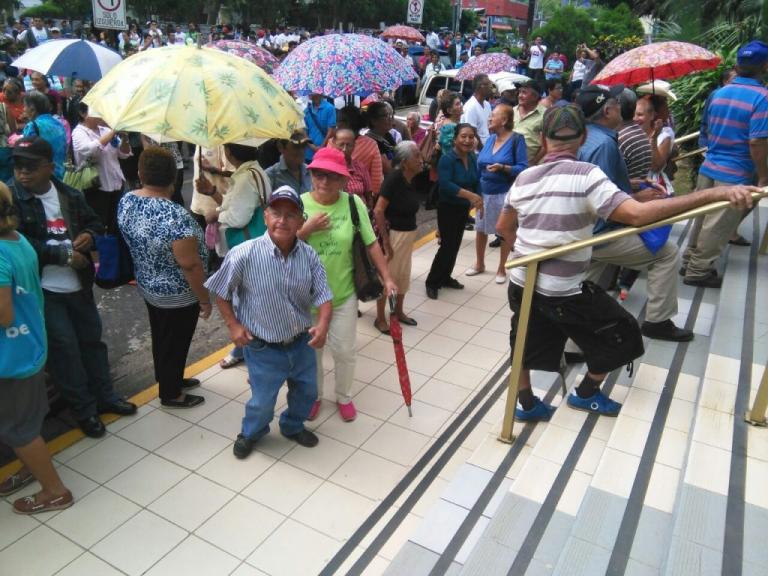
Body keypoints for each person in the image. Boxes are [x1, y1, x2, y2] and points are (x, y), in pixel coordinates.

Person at [497, 104, 756, 421]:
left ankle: (526, 404)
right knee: (623, 332)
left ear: (542, 137)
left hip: (522, 280)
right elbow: (635, 215)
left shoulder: (525, 177)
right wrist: (714, 195)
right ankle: (587, 394)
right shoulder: (587, 175)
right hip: (562, 290)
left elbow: (503, 228)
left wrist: (527, 251)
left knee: (522, 335)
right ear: (582, 138)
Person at [11, 137, 137, 436]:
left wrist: (90, 237)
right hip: (43, 290)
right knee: (64, 350)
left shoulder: (68, 193)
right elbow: (18, 243)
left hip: (78, 286)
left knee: (92, 341)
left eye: (30, 166)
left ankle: (105, 397)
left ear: (49, 167)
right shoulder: (13, 201)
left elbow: (94, 222)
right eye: (17, 165)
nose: (22, 173)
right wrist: (66, 255)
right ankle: (84, 410)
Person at [205, 186, 332, 457]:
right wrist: (233, 326)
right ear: (265, 216)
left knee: (307, 392)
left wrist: (322, 324)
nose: (282, 220)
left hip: (301, 344)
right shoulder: (244, 254)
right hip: (263, 348)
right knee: (262, 401)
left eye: (290, 215)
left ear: (300, 220)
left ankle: (292, 425)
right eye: (276, 213)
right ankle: (251, 432)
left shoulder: (308, 256)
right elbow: (220, 291)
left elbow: (323, 294)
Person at [575, 85, 692, 342]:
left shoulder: (586, 136)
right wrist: (635, 198)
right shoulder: (605, 144)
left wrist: (631, 184)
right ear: (607, 110)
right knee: (667, 253)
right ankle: (658, 320)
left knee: (587, 282)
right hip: (600, 231)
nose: (624, 110)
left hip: (584, 229)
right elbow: (602, 200)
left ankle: (573, 344)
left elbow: (599, 184)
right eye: (617, 105)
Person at [298, 147, 397, 421]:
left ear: (343, 180)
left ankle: (344, 395)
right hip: (305, 298)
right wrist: (305, 230)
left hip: (343, 295)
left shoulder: (353, 204)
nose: (324, 182)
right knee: (311, 354)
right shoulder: (299, 204)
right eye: (319, 175)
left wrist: (387, 277)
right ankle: (314, 396)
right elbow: (279, 246)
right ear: (312, 175)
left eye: (332, 176)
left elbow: (371, 243)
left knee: (344, 351)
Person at [0, 180, 74, 515]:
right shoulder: (16, 241)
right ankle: (31, 465)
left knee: (17, 427)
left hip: (12, 357)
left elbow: (4, 315)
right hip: (30, 346)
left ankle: (54, 491)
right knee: (26, 420)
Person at [119, 147, 209, 409]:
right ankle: (171, 393)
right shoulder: (176, 216)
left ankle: (170, 378)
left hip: (148, 286)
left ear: (140, 173)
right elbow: (190, 264)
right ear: (174, 178)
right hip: (177, 296)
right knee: (176, 341)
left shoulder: (128, 200)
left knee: (163, 338)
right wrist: (204, 300)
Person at [682, 40, 768, 287]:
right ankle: (698, 271)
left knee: (701, 218)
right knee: (718, 225)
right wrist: (763, 176)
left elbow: (707, 129)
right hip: (735, 173)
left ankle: (689, 261)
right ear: (765, 65)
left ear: (738, 64)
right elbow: (757, 143)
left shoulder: (718, 93)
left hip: (708, 167)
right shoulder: (762, 98)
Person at [466, 104, 527, 284]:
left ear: (505, 120)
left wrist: (503, 168)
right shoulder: (491, 139)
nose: (489, 118)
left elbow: (523, 168)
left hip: (504, 193)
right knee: (480, 229)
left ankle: (502, 268)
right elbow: (479, 165)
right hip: (484, 192)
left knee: (504, 231)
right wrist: (474, 192)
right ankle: (480, 264)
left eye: (493, 116)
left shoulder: (517, 139)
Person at [425, 124, 483, 300]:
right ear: (455, 139)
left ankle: (446, 277)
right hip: (448, 207)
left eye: (471, 137)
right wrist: (470, 196)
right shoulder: (447, 159)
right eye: (463, 136)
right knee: (447, 246)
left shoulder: (472, 157)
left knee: (455, 244)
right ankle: (432, 282)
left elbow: (477, 180)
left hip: (463, 208)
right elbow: (446, 185)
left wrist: (479, 199)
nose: (467, 140)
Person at [373, 141, 422, 333]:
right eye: (416, 156)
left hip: (408, 235)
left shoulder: (411, 179)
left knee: (402, 276)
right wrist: (386, 241)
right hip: (394, 236)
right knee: (387, 277)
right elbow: (378, 211)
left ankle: (399, 312)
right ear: (404, 162)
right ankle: (379, 318)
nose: (421, 159)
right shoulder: (394, 178)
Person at [71, 103, 131, 235]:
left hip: (116, 183)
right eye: (96, 111)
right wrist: (113, 131)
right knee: (99, 225)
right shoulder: (78, 133)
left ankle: (116, 252)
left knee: (116, 224)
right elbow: (90, 150)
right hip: (97, 187)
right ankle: (102, 253)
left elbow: (124, 154)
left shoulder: (104, 130)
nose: (100, 115)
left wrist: (125, 139)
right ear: (83, 113)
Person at [21, 91, 67, 180]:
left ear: (32, 109)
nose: (23, 109)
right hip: (60, 175)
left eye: (25, 106)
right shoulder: (59, 124)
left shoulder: (32, 126)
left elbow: (25, 154)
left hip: (40, 177)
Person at [265, 130, 312, 195]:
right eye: (296, 146)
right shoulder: (270, 176)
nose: (301, 150)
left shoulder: (312, 172)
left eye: (304, 145)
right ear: (280, 147)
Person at [513, 80, 546, 166]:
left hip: (531, 165)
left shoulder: (545, 115)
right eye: (519, 92)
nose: (520, 95)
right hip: (509, 164)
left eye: (524, 93)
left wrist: (533, 162)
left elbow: (546, 144)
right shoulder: (511, 111)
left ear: (535, 96)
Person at [364, 101, 397, 176]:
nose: (390, 119)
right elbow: (389, 170)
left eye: (390, 115)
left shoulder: (388, 135)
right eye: (386, 115)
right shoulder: (370, 142)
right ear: (374, 121)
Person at [461, 74, 493, 146]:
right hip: (477, 151)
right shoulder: (471, 107)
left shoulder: (487, 104)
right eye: (488, 84)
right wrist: (483, 151)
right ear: (480, 87)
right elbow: (472, 133)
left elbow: (489, 127)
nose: (491, 86)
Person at [304, 93, 336, 162]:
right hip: (309, 153)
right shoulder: (306, 111)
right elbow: (305, 131)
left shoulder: (329, 108)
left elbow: (331, 131)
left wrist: (321, 147)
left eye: (311, 90)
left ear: (319, 92)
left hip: (325, 152)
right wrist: (312, 146)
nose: (309, 92)